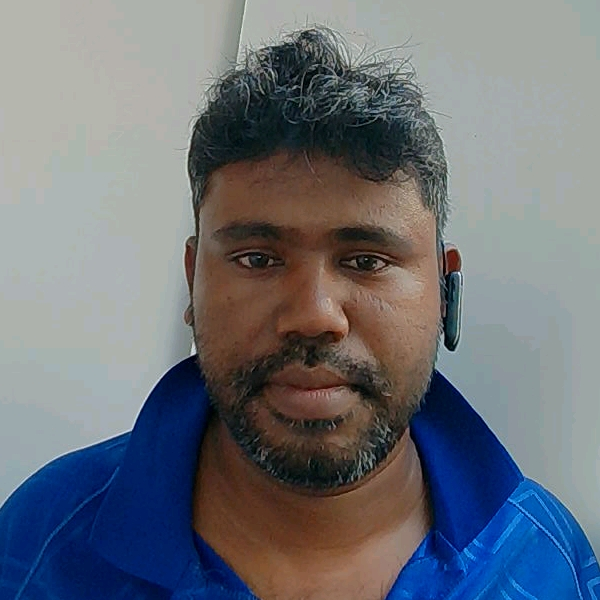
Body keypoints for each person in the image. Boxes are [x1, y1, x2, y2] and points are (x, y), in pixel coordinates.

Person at [0, 26, 598, 600]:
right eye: (258, 259)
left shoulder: (544, 563)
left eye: (366, 260)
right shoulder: (41, 544)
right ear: (192, 278)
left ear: (444, 288)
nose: (314, 316)